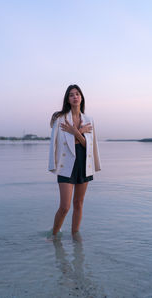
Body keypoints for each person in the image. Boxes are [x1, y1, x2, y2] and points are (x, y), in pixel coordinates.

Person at [48, 84, 101, 237]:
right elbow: (55, 144)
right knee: (65, 206)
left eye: (77, 94)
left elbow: (88, 146)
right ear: (68, 99)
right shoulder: (60, 119)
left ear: (81, 97)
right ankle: (54, 235)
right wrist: (79, 133)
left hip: (83, 164)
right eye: (71, 95)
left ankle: (75, 237)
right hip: (66, 166)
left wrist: (76, 132)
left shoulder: (89, 120)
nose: (75, 96)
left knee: (78, 203)